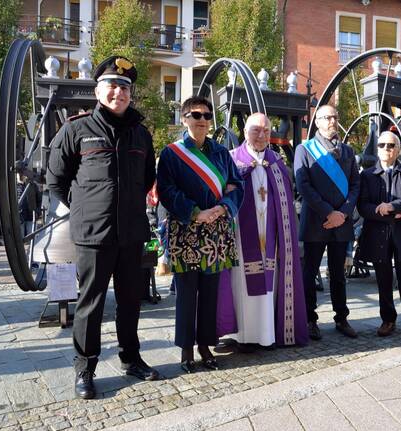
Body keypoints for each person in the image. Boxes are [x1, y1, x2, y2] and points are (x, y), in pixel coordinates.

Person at [46, 56, 159, 399]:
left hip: (132, 234)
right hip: (94, 235)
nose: (118, 92)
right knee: (90, 303)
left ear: (130, 94)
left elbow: (147, 180)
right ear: (98, 90)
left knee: (130, 301)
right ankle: (85, 369)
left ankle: (131, 357)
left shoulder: (141, 133)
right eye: (111, 85)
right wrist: (85, 211)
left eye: (124, 87)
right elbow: (56, 181)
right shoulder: (76, 130)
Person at [157, 96, 244, 373]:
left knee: (210, 293)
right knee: (187, 293)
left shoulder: (221, 152)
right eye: (196, 115)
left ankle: (206, 345)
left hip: (217, 230)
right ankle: (186, 349)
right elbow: (167, 191)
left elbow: (236, 186)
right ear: (185, 119)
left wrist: (222, 207)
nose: (203, 120)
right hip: (186, 231)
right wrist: (196, 212)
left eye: (207, 115)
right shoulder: (172, 153)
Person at [217, 113, 309, 350]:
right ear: (245, 132)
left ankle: (266, 334)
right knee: (241, 283)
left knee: (269, 282)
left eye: (266, 131)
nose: (261, 135)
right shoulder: (230, 160)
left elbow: (286, 203)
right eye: (256, 130)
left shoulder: (277, 163)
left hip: (271, 237)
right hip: (239, 237)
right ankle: (241, 336)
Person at [294, 104, 360, 341]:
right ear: (317, 121)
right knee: (309, 273)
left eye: (335, 116)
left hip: (341, 223)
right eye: (327, 117)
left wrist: (342, 213)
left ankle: (341, 317)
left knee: (338, 274)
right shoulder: (304, 149)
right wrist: (328, 213)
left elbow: (355, 185)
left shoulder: (349, 152)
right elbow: (303, 186)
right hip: (315, 222)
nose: (332, 121)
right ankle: (310, 319)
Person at [357, 131, 401, 341]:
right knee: (383, 280)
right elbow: (363, 206)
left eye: (390, 145)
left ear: (398, 149)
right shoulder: (367, 175)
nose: (386, 149)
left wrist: (393, 205)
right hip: (379, 234)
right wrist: (393, 213)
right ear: (377, 149)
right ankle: (388, 320)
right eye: (382, 145)